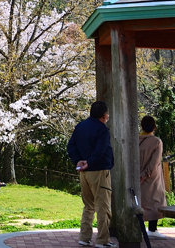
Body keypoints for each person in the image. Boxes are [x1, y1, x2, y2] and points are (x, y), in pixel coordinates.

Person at [67, 100, 114, 248]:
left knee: (88, 206)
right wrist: (90, 162)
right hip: (99, 171)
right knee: (103, 206)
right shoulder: (102, 130)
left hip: (84, 172)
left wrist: (78, 161)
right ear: (104, 115)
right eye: (107, 113)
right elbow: (100, 150)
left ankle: (84, 237)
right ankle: (102, 240)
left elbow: (71, 145)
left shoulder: (80, 126)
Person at [139, 115, 167, 240]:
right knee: (154, 200)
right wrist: (146, 174)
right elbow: (155, 161)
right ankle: (153, 229)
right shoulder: (156, 141)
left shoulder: (135, 139)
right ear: (154, 127)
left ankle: (139, 227)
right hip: (152, 176)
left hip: (137, 174)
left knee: (140, 201)